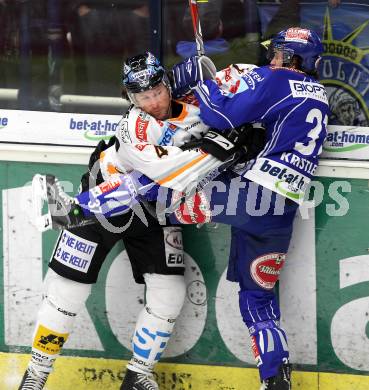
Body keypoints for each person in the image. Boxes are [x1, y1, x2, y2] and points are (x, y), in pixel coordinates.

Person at [43, 27, 329, 390]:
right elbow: (254, 124)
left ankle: (78, 209)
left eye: (277, 54)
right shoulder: (321, 95)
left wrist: (204, 83)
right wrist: (239, 138)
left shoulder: (276, 79)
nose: (271, 59)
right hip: (280, 211)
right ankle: (275, 381)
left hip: (248, 195)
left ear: (290, 58)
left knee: (155, 189)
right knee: (258, 299)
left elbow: (221, 115)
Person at [19, 53, 194, 390]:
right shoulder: (132, 125)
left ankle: (138, 375)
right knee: (66, 289)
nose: (154, 101)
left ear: (166, 84)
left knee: (170, 291)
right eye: (144, 97)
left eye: (158, 91)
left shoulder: (186, 105)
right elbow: (161, 171)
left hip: (151, 209)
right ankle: (36, 374)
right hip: (104, 197)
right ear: (131, 99)